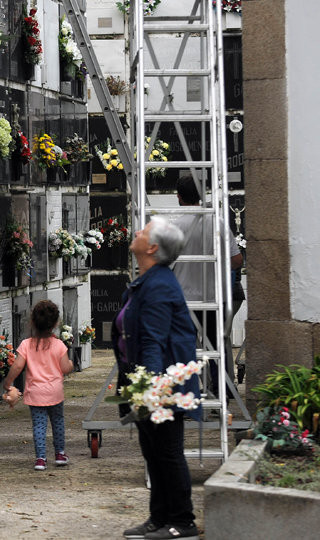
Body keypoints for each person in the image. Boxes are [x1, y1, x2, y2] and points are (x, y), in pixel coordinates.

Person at [115, 216, 201, 540]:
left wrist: (149, 392)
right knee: (154, 451)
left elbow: (153, 339)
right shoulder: (149, 280)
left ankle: (182, 522)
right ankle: (159, 517)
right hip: (147, 384)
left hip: (160, 386)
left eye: (144, 231)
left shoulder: (160, 285)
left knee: (167, 452)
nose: (137, 231)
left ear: (152, 247)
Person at [171, 176, 243, 400]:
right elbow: (237, 259)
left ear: (179, 197)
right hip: (213, 297)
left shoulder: (174, 226)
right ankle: (222, 393)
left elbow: (163, 263)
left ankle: (186, 396)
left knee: (184, 349)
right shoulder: (218, 222)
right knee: (216, 349)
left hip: (184, 300)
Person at [0, 300, 73, 471]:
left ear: (32, 322)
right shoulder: (59, 345)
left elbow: (17, 366)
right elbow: (65, 368)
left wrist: (8, 383)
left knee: (39, 426)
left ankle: (41, 458)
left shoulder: (26, 345)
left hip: (35, 393)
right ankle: (60, 453)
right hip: (55, 393)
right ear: (55, 324)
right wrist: (70, 364)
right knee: (58, 422)